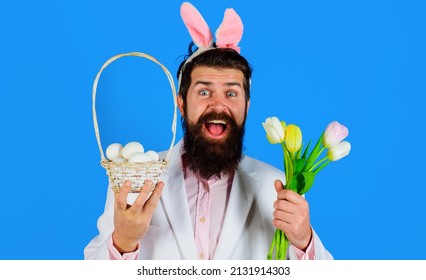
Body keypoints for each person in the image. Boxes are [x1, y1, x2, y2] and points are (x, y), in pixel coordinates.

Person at [84, 2, 333, 260]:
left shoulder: (278, 187)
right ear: (181, 103)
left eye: (231, 93)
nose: (218, 104)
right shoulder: (134, 179)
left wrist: (304, 241)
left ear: (246, 106)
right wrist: (122, 242)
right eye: (204, 91)